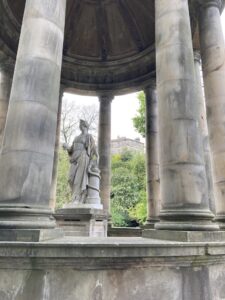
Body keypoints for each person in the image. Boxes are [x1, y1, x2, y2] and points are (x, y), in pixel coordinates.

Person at [63, 119, 98, 204]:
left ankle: (78, 198)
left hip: (83, 157)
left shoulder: (89, 137)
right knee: (70, 179)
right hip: (74, 159)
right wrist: (67, 147)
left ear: (85, 126)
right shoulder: (76, 137)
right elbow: (71, 149)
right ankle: (75, 196)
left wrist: (92, 164)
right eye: (80, 125)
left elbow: (94, 151)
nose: (80, 126)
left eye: (82, 125)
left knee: (79, 179)